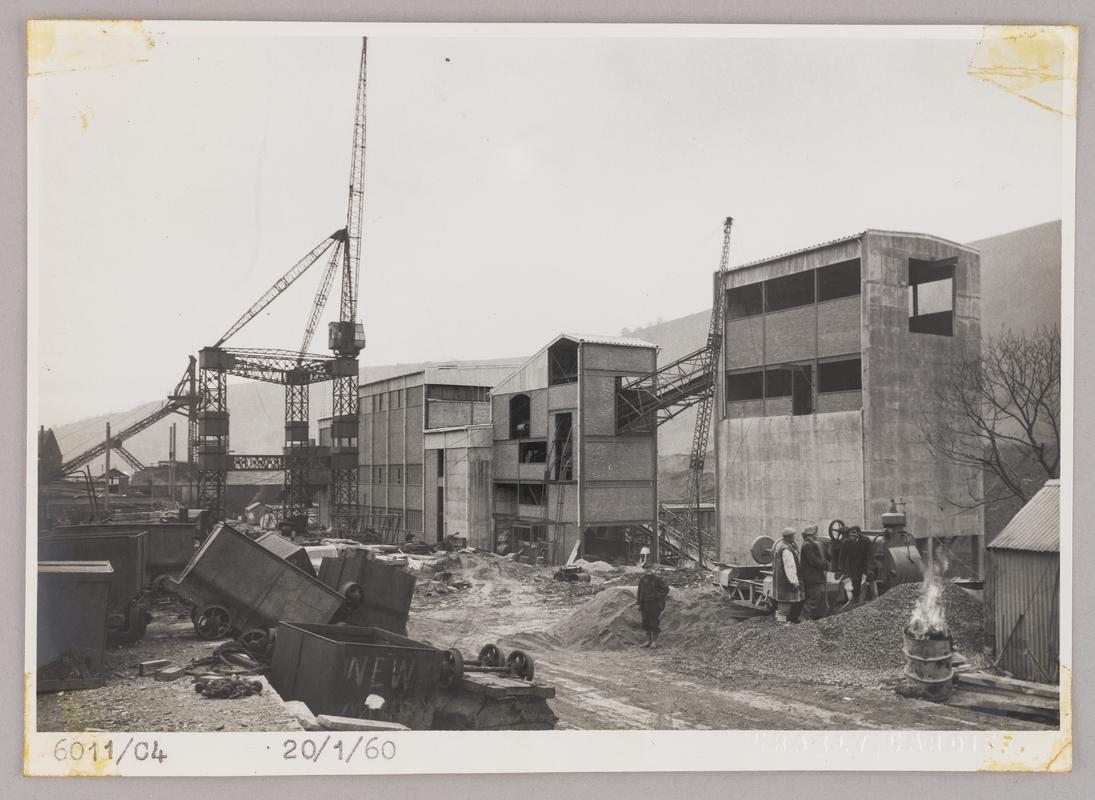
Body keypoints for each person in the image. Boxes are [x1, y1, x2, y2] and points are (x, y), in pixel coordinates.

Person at [771, 526, 804, 624]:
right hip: (786, 580)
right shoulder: (786, 549)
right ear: (789, 537)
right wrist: (794, 581)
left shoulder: (780, 545)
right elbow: (790, 566)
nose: (794, 538)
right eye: (793, 536)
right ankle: (783, 622)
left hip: (780, 579)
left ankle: (783, 620)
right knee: (786, 601)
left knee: (783, 601)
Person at [636, 561, 670, 647]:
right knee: (645, 623)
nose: (649, 570)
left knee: (654, 622)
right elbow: (640, 591)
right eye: (647, 568)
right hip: (644, 604)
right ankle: (648, 641)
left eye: (650, 568)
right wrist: (639, 602)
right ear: (644, 569)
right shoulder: (642, 579)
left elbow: (666, 589)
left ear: (652, 569)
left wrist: (658, 596)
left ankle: (654, 642)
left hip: (654, 604)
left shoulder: (657, 579)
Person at [798, 525, 828, 620]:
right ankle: (804, 616)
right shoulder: (808, 545)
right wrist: (824, 564)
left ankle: (806, 617)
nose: (817, 535)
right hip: (812, 577)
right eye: (816, 533)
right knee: (815, 595)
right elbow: (813, 560)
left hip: (811, 576)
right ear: (811, 534)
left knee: (812, 596)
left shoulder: (808, 544)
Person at [838, 525, 874, 603]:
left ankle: (872, 599)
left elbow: (869, 555)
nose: (852, 534)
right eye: (850, 533)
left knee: (870, 579)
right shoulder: (846, 542)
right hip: (854, 566)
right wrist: (840, 569)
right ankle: (856, 601)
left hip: (864, 564)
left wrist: (869, 569)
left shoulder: (866, 540)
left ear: (858, 533)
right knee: (855, 584)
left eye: (854, 533)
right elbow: (842, 557)